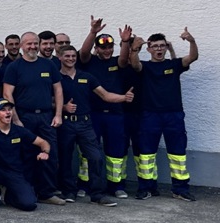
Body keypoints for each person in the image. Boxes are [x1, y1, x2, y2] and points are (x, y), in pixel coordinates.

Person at [56, 44, 131, 207]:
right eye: (67, 56)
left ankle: (97, 194)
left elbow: (105, 95)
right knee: (65, 159)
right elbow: (47, 100)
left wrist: (124, 98)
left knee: (96, 157)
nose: (70, 59)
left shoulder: (87, 77)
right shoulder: (55, 78)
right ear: (60, 58)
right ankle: (69, 191)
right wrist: (63, 108)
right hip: (66, 124)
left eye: (73, 56)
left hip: (85, 124)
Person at [129, 28, 199, 201]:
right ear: (149, 49)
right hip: (150, 115)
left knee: (177, 154)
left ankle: (180, 189)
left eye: (162, 46)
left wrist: (191, 41)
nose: (159, 49)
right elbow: (135, 64)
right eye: (155, 46)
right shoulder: (145, 66)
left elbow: (192, 57)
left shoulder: (173, 65)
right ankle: (147, 188)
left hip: (173, 115)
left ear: (166, 48)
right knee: (146, 154)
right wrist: (134, 49)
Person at [2, 32, 65, 205]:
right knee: (26, 154)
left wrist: (58, 114)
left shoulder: (48, 65)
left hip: (46, 117)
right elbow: (7, 94)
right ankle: (26, 190)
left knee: (49, 154)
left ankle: (46, 193)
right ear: (22, 46)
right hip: (24, 116)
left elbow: (58, 90)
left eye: (35, 43)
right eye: (28, 44)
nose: (32, 47)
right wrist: (15, 119)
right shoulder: (14, 67)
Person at [78, 20, 137, 197]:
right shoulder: (89, 61)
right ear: (97, 48)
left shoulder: (116, 62)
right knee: (88, 151)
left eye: (110, 47)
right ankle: (85, 185)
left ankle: (116, 187)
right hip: (93, 114)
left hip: (115, 115)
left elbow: (123, 59)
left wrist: (125, 42)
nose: (107, 50)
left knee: (116, 152)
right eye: (103, 48)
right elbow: (83, 53)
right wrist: (93, 32)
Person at [0, 98, 52, 212]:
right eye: (3, 110)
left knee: (29, 205)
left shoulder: (19, 131)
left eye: (10, 109)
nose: (8, 112)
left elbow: (43, 142)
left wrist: (45, 152)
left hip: (15, 173)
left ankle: (8, 196)